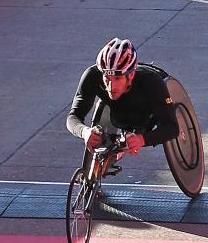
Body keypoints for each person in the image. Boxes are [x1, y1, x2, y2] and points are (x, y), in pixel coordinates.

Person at [66, 38, 178, 166]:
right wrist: (84, 132)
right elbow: (73, 116)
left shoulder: (151, 82)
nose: (111, 86)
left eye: (117, 78)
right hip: (117, 111)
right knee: (100, 138)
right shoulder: (92, 76)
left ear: (130, 76)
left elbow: (172, 128)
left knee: (145, 125)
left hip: (147, 113)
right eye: (107, 78)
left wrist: (141, 140)